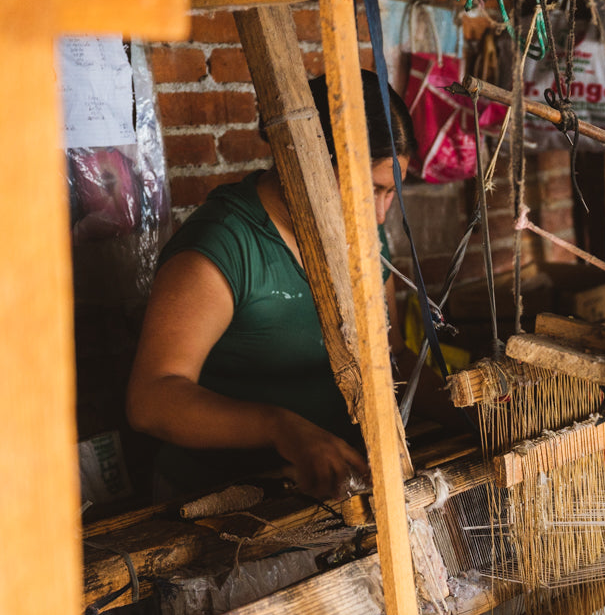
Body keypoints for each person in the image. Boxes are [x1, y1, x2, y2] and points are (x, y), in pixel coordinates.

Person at [128, 71, 417, 501]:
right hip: (223, 503)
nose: (378, 215)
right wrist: (279, 426)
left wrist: (465, 404)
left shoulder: (364, 239)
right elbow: (151, 401)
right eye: (368, 189)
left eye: (390, 192)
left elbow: (389, 358)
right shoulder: (224, 246)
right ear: (307, 162)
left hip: (336, 494)